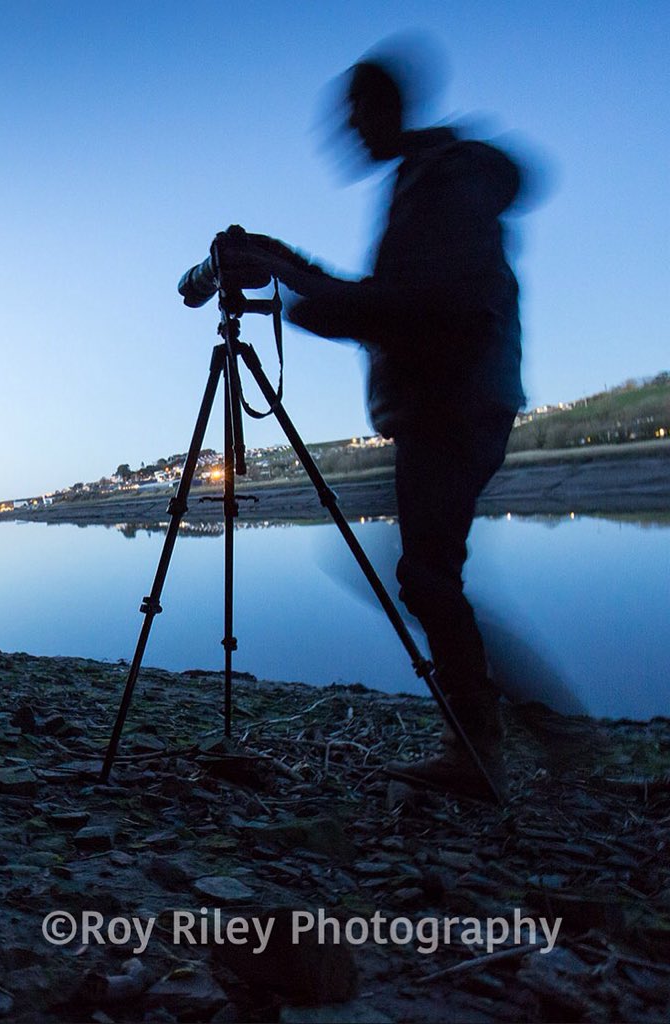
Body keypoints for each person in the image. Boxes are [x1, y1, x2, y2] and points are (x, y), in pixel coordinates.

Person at [229, 51, 528, 799]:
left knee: (427, 574)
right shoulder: (427, 183)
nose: (347, 134)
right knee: (430, 572)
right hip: (454, 401)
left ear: (385, 110)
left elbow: (415, 306)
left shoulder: (445, 182)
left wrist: (295, 284)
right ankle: (510, 727)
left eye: (355, 117)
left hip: (454, 403)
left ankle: (486, 745)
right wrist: (294, 276)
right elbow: (397, 299)